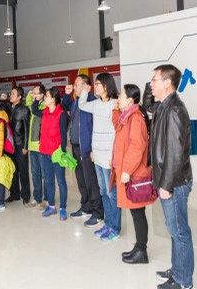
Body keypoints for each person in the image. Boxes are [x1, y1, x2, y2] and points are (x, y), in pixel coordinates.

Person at [149, 65, 194, 289]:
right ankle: (178, 270)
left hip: (174, 182)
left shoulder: (174, 110)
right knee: (174, 229)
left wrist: (166, 185)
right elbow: (148, 104)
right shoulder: (164, 106)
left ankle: (184, 280)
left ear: (167, 83)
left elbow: (175, 153)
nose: (151, 83)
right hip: (169, 180)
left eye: (155, 80)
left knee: (179, 231)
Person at [112, 84, 154, 263]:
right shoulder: (126, 116)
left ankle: (142, 252)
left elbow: (137, 147)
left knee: (138, 214)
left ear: (130, 100)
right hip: (128, 171)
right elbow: (117, 126)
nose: (118, 98)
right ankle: (138, 247)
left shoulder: (135, 118)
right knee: (136, 213)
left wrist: (127, 170)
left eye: (121, 96)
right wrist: (116, 109)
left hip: (134, 173)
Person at [78, 73, 121, 241]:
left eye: (97, 84)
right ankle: (108, 224)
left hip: (109, 157)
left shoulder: (115, 104)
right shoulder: (95, 104)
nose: (95, 87)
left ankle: (115, 228)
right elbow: (82, 105)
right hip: (97, 155)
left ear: (106, 86)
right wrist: (84, 91)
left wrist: (113, 155)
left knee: (111, 194)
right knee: (103, 191)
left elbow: (117, 133)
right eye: (94, 84)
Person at [63, 75, 104, 228]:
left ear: (86, 86)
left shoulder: (92, 102)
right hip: (75, 147)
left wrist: (92, 148)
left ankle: (98, 212)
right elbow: (66, 105)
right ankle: (86, 206)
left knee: (91, 181)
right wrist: (67, 95)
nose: (74, 87)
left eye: (77, 84)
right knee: (81, 180)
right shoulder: (76, 102)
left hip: (87, 149)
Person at [31, 88, 69, 220]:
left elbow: (63, 135)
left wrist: (62, 152)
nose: (45, 99)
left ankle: (63, 208)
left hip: (56, 153)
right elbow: (34, 110)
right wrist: (36, 99)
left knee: (61, 181)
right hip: (44, 152)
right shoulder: (44, 112)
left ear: (53, 99)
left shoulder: (61, 113)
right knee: (48, 180)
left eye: (46, 96)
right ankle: (52, 206)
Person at [6, 86, 31, 205]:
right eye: (11, 94)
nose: (11, 96)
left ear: (19, 97)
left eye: (13, 94)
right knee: (12, 170)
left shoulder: (24, 110)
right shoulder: (9, 108)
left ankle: (25, 196)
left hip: (20, 145)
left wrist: (25, 146)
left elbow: (27, 129)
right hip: (10, 145)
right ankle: (14, 194)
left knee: (23, 171)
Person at [25, 84, 47, 209]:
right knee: (35, 174)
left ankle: (47, 199)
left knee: (45, 174)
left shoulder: (44, 106)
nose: (34, 95)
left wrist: (35, 100)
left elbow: (34, 109)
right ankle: (37, 198)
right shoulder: (34, 104)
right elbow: (28, 102)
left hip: (42, 146)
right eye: (33, 93)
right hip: (32, 146)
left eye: (36, 93)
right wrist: (30, 94)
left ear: (42, 95)